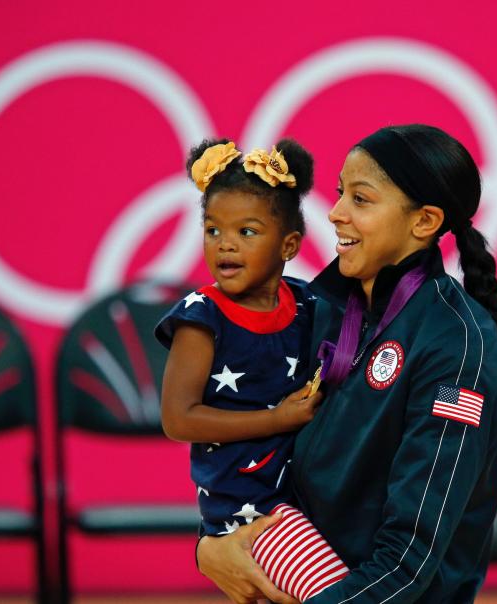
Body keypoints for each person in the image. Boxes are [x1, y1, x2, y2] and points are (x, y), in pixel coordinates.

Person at [196, 124, 497, 604]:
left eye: (361, 200)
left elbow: (408, 563)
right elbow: (250, 463)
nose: (335, 212)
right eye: (341, 192)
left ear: (425, 222)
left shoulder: (457, 351)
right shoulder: (318, 312)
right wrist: (210, 548)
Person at [155, 138, 348, 602]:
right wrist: (275, 420)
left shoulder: (310, 303)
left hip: (310, 497)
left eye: (247, 232)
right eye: (213, 230)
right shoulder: (201, 317)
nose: (225, 245)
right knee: (337, 594)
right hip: (250, 511)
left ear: (289, 245)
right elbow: (178, 420)